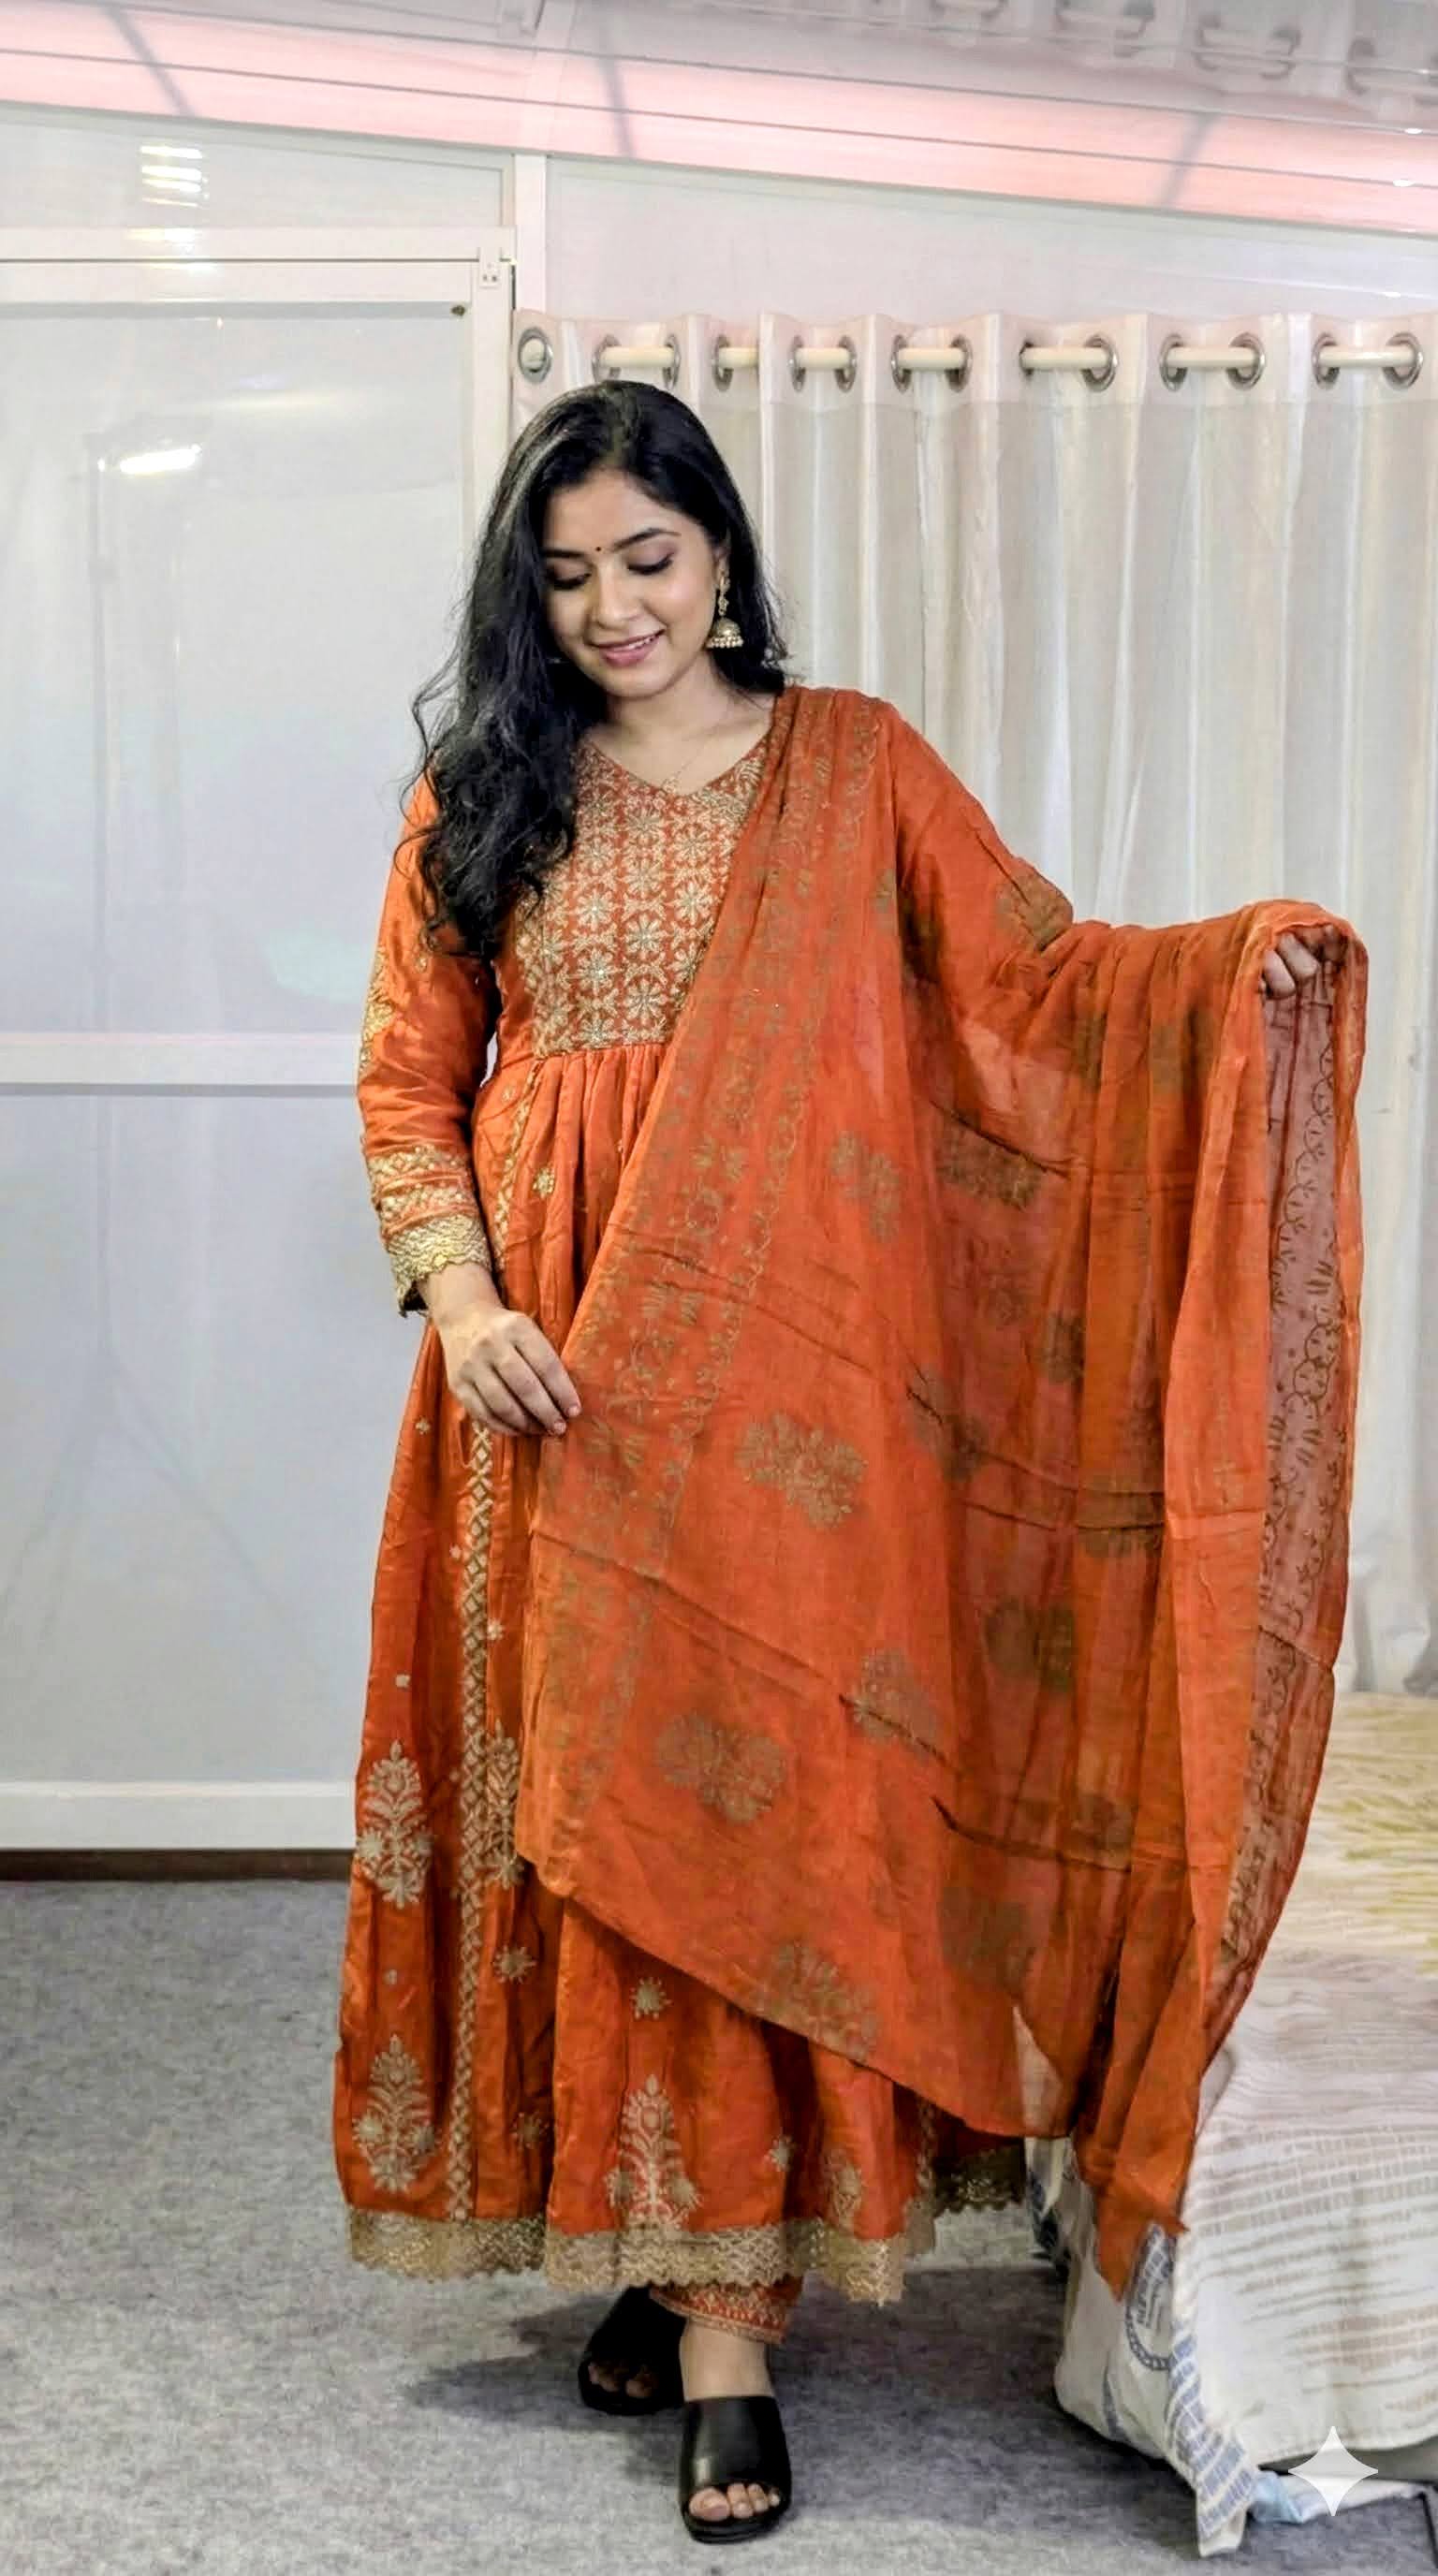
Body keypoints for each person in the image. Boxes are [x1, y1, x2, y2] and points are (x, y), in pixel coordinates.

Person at [332, 380, 1364, 2546]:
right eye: (566, 571)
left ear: (720, 552)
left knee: (739, 1807)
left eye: (648, 555)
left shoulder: (854, 766)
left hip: (784, 1405)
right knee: (580, 1820)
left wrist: (1220, 971)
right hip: (549, 1393)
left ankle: (729, 2335)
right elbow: (407, 1084)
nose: (613, 605)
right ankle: (652, 2239)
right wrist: (468, 1295)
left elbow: (1043, 989)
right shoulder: (481, 796)